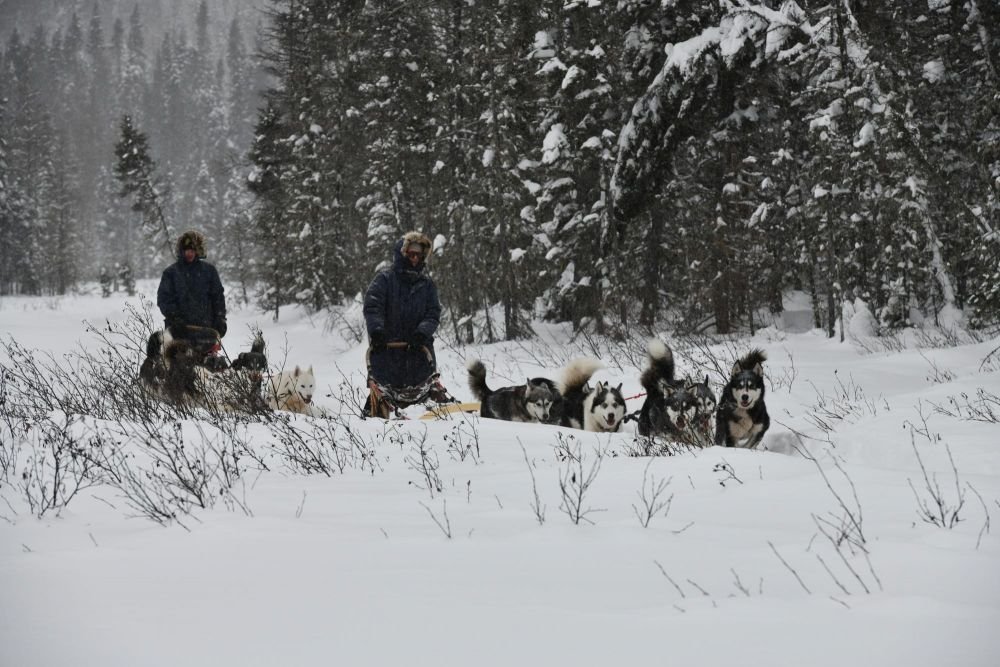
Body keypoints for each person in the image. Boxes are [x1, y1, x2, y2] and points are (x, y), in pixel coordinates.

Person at [363, 231, 441, 393]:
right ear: (402, 254)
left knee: (424, 401)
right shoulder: (384, 280)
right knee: (384, 403)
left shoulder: (427, 286)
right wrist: (377, 331)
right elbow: (372, 307)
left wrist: (422, 333)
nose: (414, 259)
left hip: (419, 353)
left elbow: (433, 313)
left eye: (418, 255)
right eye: (411, 254)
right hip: (387, 352)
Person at [157, 230, 227, 349]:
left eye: (192, 250)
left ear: (198, 251)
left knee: (209, 366)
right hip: (178, 333)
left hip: (206, 332)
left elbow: (218, 298)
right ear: (181, 251)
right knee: (178, 366)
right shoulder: (170, 273)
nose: (190, 253)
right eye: (187, 250)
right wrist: (175, 317)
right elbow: (164, 300)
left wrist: (220, 318)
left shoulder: (209, 271)